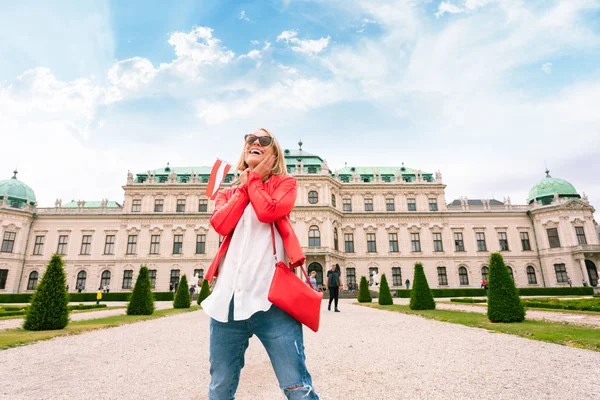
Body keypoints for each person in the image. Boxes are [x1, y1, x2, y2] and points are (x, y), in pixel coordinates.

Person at [200, 128, 319, 399]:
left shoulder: (286, 184)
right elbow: (220, 224)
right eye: (249, 138)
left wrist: (253, 180)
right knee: (220, 387)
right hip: (227, 303)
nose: (255, 142)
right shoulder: (228, 193)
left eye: (263, 140)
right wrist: (244, 186)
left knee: (296, 386)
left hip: (273, 302)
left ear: (273, 153)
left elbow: (268, 212)